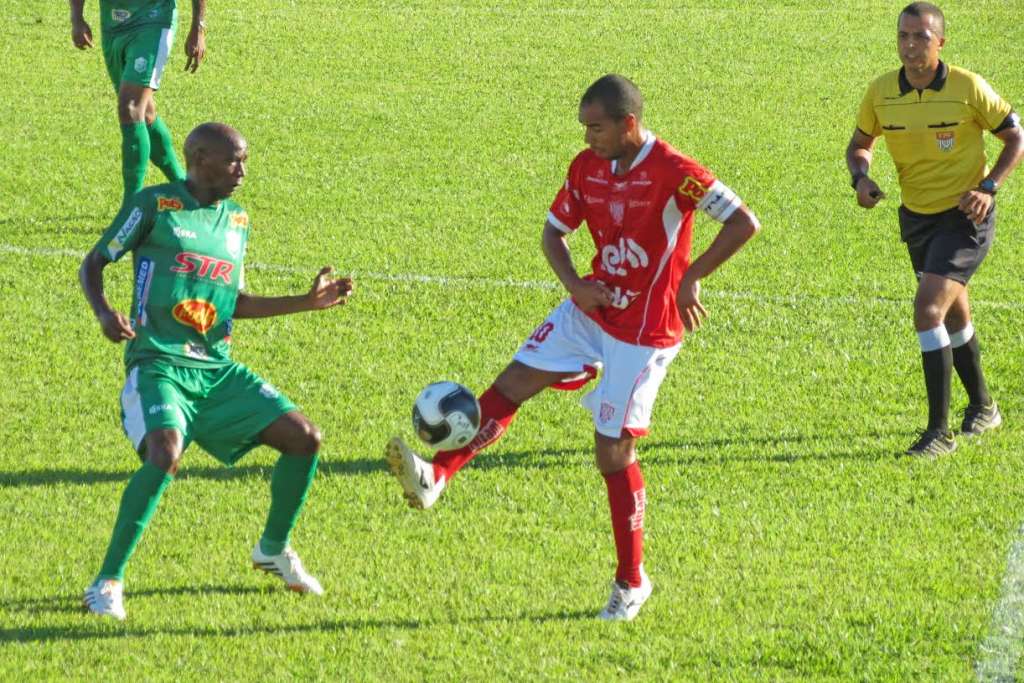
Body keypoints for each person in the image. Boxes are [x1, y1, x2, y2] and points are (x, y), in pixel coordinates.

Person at [386, 74, 760, 621]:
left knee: (611, 453)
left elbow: (743, 222)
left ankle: (632, 582)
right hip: (593, 308)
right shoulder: (587, 168)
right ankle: (437, 476)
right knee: (513, 382)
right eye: (585, 127)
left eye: (597, 127)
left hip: (645, 329)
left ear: (628, 123)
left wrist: (690, 277)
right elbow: (552, 233)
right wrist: (577, 289)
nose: (588, 137)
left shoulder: (676, 172)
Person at [78, 122, 353, 620]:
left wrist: (306, 303)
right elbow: (94, 263)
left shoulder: (238, 220)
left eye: (245, 160)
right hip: (159, 361)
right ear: (200, 158)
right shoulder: (154, 206)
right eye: (234, 161)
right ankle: (107, 582)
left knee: (305, 438)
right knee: (164, 453)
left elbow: (234, 303)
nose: (243, 171)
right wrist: (103, 312)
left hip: (215, 369)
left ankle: (272, 550)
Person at [845, 2, 1023, 456]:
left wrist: (989, 187)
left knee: (928, 310)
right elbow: (861, 143)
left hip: (966, 217)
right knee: (955, 312)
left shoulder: (967, 87)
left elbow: (1015, 136)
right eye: (904, 36)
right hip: (916, 216)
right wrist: (861, 177)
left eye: (921, 37)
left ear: (940, 41)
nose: (910, 46)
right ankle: (983, 407)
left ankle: (937, 433)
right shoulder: (882, 91)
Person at [69, 0, 207, 206]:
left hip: (153, 19)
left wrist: (198, 27)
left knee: (131, 108)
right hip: (112, 25)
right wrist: (77, 18)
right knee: (146, 112)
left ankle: (131, 207)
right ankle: (189, 192)